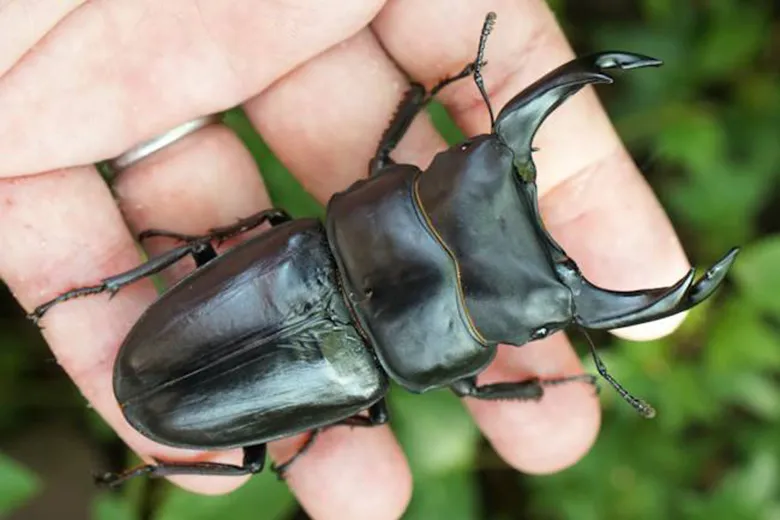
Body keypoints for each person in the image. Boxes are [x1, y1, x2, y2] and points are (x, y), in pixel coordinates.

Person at [0, 2, 692, 519]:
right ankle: (132, 441)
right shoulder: (364, 381)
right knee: (266, 450)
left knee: (236, 239)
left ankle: (104, 297)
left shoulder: (302, 245)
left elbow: (382, 167)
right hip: (258, 378)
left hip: (201, 364)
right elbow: (469, 385)